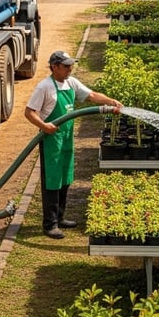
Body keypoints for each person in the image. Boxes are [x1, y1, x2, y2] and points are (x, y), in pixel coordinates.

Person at [25, 50, 122, 239]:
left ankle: (60, 218)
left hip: (67, 136)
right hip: (51, 139)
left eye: (71, 65)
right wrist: (44, 126)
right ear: (55, 67)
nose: (70, 69)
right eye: (66, 66)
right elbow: (29, 112)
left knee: (65, 177)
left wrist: (111, 102)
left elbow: (92, 95)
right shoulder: (44, 87)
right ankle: (49, 224)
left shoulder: (71, 82)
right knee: (52, 181)